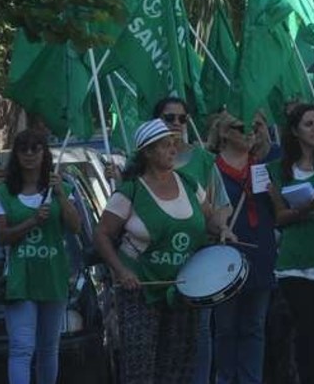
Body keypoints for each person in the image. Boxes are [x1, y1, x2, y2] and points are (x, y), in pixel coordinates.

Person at [94, 119, 233, 383]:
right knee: (141, 371)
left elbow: (210, 218)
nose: (173, 150)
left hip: (182, 288)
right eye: (165, 146)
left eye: (174, 144)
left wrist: (222, 228)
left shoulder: (190, 184)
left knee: (178, 370)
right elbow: (101, 234)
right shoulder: (130, 191)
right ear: (147, 152)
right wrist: (121, 271)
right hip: (139, 290)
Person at [0, 130, 82, 384]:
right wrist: (32, 221)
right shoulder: (4, 194)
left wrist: (62, 195)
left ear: (45, 153)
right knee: (22, 347)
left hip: (53, 275)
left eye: (36, 148)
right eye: (24, 149)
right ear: (16, 154)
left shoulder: (61, 189)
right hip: (21, 279)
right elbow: (2, 237)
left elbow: (75, 227)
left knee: (49, 347)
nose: (30, 154)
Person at [151, 95, 228, 384]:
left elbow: (221, 205)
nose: (176, 124)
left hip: (197, 257)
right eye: (169, 118)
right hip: (155, 261)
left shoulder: (205, 160)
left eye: (182, 118)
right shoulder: (142, 161)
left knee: (199, 332)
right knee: (161, 331)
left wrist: (221, 227)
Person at [268, 104, 314, 384]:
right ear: (295, 131)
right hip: (294, 266)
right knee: (307, 334)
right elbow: (279, 217)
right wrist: (307, 207)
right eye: (309, 124)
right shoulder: (278, 170)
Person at [208, 111, 278, 384]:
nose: (249, 132)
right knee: (225, 329)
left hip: (260, 254)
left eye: (253, 127)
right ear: (224, 132)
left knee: (254, 328)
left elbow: (277, 210)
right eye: (241, 127)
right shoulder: (211, 168)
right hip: (224, 259)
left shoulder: (264, 164)